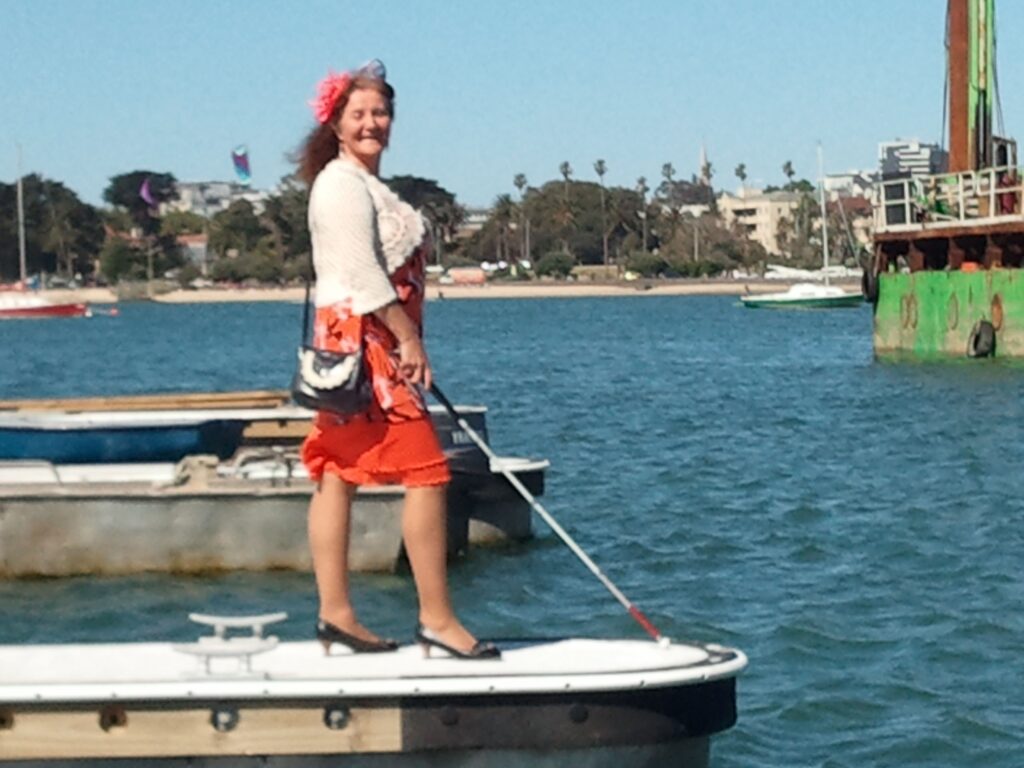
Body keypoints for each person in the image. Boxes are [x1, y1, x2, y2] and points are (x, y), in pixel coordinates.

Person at [296, 60, 498, 660]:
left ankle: (336, 616)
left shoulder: (367, 185)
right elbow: (360, 272)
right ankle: (435, 618)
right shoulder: (339, 185)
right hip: (367, 345)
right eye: (358, 114)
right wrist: (408, 338)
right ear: (335, 123)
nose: (371, 123)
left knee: (338, 474)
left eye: (380, 112)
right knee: (427, 473)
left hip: (361, 341)